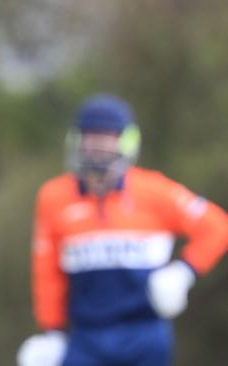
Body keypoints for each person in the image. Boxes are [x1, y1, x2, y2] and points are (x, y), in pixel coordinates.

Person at [16, 94, 228, 366]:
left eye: (106, 137)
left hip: (145, 333)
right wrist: (52, 331)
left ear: (125, 141)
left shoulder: (156, 191)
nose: (97, 146)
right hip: (85, 337)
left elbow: (217, 226)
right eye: (90, 136)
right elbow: (47, 272)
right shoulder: (53, 197)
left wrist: (184, 271)